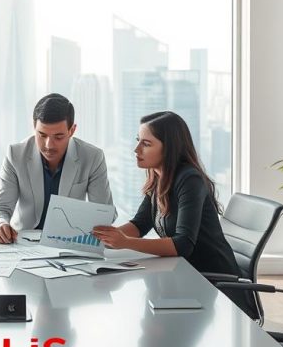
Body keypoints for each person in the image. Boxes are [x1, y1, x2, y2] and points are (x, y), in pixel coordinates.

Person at [92, 111, 250, 312]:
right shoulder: (159, 178)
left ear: (169, 149)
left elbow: (183, 245)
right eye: (138, 141)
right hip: (183, 275)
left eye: (146, 144)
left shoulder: (189, 180)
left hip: (213, 285)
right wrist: (102, 239)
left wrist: (124, 242)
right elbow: (139, 224)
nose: (136, 149)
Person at [0, 94, 112, 244]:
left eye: (58, 137)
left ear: (72, 130)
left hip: (70, 243)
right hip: (23, 243)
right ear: (34, 127)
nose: (48, 145)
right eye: (42, 135)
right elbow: (0, 208)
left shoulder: (92, 157)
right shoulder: (15, 155)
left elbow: (104, 213)